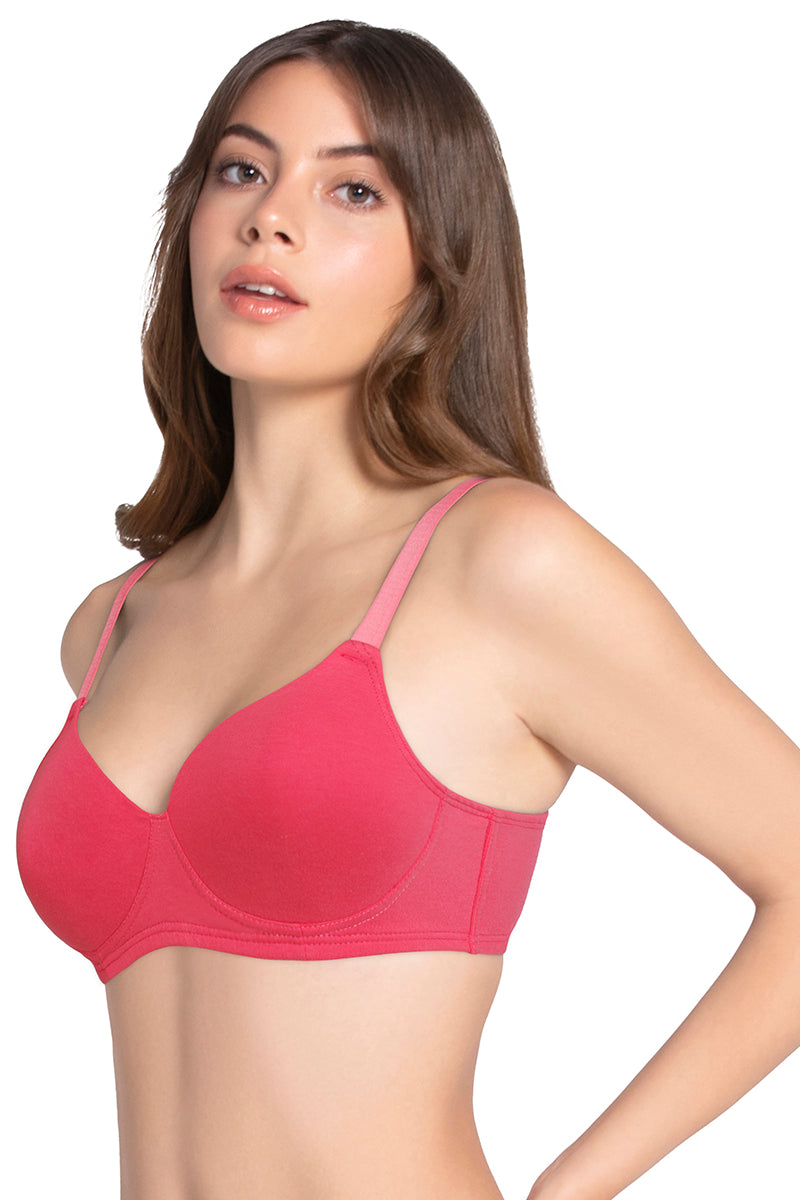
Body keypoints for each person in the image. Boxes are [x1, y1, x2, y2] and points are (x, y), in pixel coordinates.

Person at [14, 18, 800, 1200]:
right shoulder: (111, 622)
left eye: (353, 190)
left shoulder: (498, 565)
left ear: (437, 269)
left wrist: (568, 1189)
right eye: (241, 169)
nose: (270, 218)